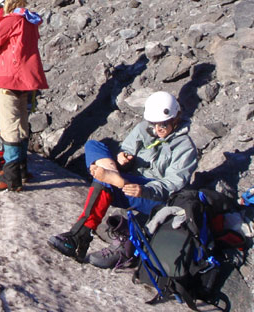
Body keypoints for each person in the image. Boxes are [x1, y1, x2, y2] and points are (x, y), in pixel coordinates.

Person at [48, 91, 198, 266]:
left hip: (151, 195)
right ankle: (112, 175)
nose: (157, 130)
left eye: (162, 126)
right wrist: (122, 160)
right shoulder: (143, 129)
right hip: (128, 183)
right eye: (154, 125)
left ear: (175, 119)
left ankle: (79, 236)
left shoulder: (185, 147)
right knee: (93, 145)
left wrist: (144, 189)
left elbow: (172, 184)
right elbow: (126, 148)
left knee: (104, 180)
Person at [0, 0, 48, 192]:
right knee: (21, 124)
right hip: (27, 79)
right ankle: (22, 169)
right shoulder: (30, 20)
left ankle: (11, 176)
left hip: (10, 78)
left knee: (9, 126)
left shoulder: (13, 20)